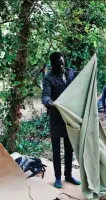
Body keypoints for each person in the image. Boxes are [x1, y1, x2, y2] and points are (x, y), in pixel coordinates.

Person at [41, 52, 81, 189]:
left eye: (63, 63)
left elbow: (84, 78)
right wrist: (49, 103)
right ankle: (58, 177)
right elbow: (45, 95)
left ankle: (68, 175)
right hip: (56, 118)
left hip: (70, 117)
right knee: (56, 150)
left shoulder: (70, 73)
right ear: (52, 65)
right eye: (58, 65)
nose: (62, 66)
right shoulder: (48, 79)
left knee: (69, 149)